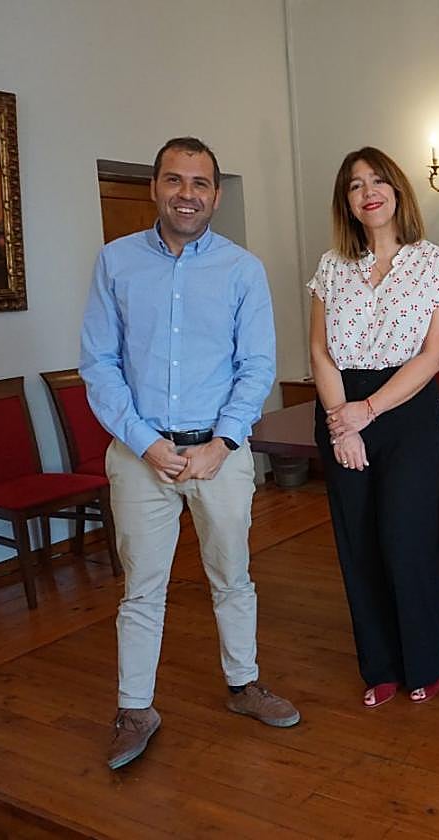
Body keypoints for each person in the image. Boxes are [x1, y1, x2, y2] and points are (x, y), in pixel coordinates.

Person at [81, 136, 300, 772]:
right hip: (139, 452)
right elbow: (99, 363)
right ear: (155, 187)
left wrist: (223, 442)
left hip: (219, 453)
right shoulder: (116, 263)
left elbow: (256, 366)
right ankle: (135, 708)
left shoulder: (241, 269)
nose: (187, 194)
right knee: (141, 589)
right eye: (174, 180)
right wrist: (145, 442)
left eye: (199, 183)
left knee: (232, 575)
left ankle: (244, 685)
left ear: (216, 194)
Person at [308, 146, 439, 709]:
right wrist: (341, 424)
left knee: (405, 538)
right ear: (346, 203)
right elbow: (320, 352)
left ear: (397, 190)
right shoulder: (331, 267)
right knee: (359, 543)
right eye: (354, 185)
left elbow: (435, 355)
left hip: (404, 409)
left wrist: (367, 412)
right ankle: (381, 667)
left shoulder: (433, 262)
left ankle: (424, 661)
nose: (367, 191)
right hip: (338, 407)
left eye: (377, 180)